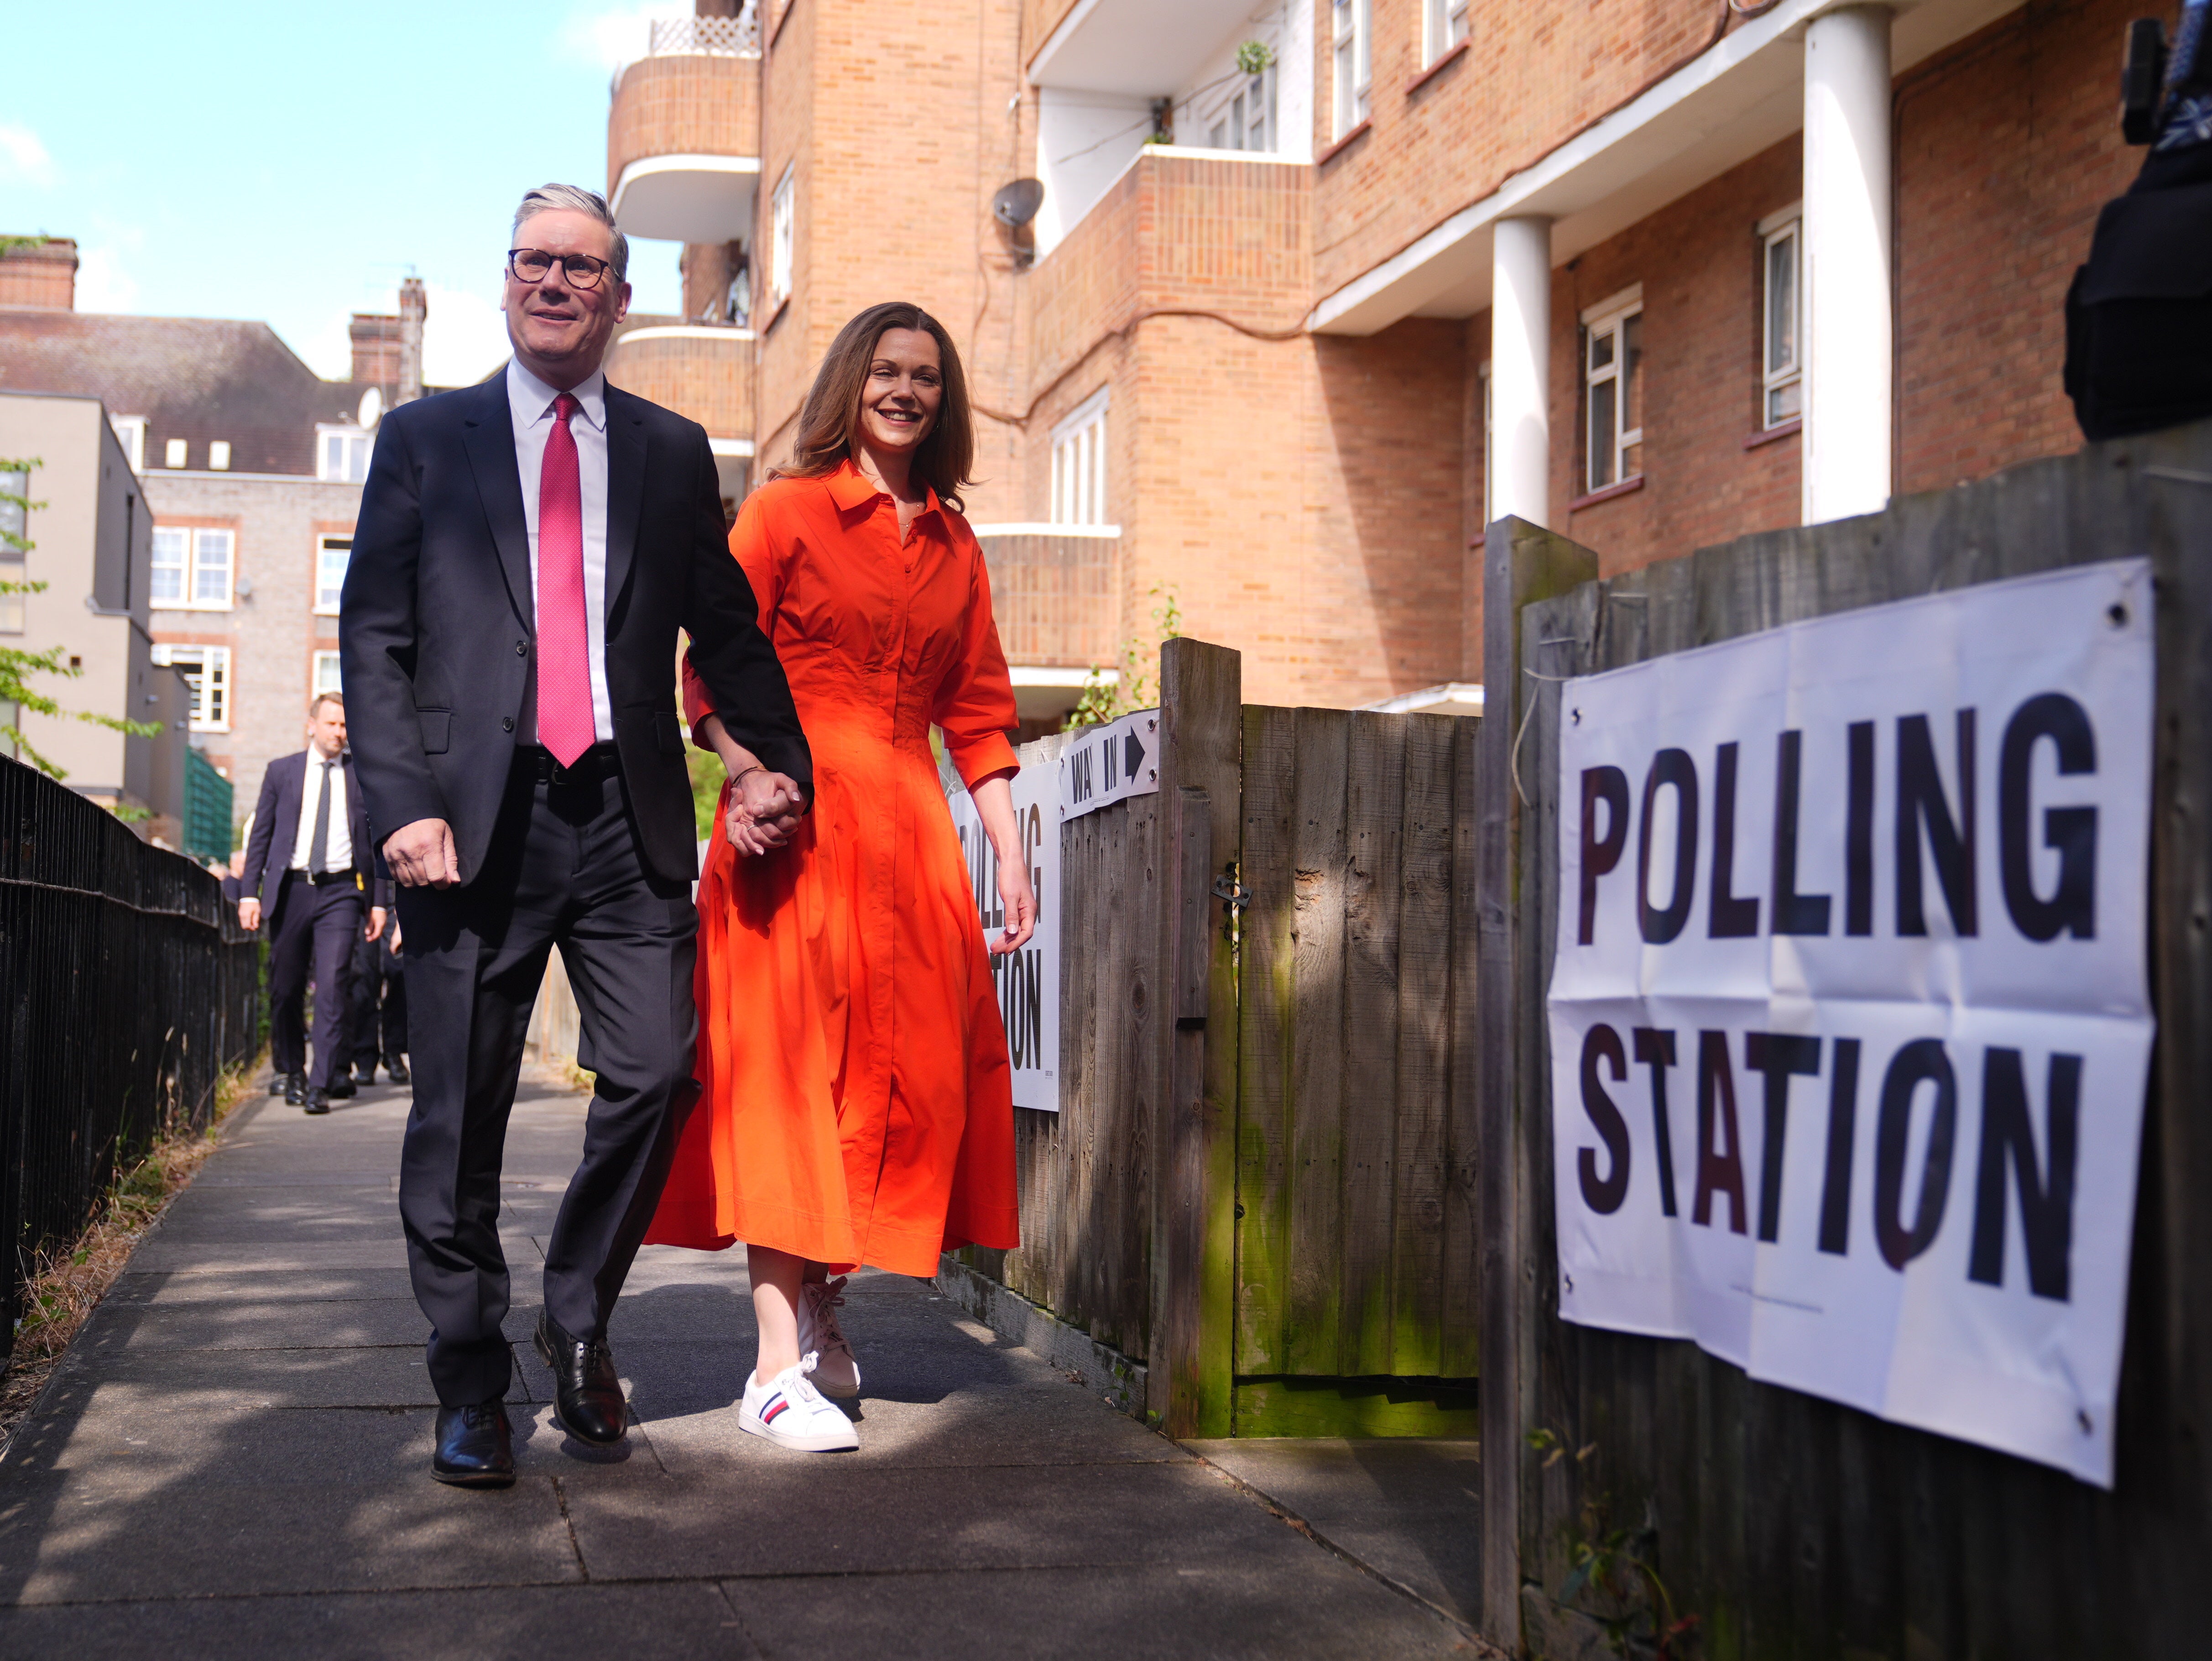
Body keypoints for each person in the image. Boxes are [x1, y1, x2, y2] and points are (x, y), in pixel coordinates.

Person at [341, 184, 810, 1490]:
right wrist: (403, 804)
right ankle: (470, 1382)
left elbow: (723, 629)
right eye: (535, 262)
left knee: (660, 1072)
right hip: (468, 823)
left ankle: (579, 1315)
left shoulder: (668, 451)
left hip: (623, 809)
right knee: (460, 1111)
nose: (556, 283)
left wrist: (773, 765)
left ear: (619, 295)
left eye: (584, 268)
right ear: (506, 282)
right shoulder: (425, 440)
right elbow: (373, 637)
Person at [645, 301, 1033, 1454]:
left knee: (895, 1078)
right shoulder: (784, 510)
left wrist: (1010, 852)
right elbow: (709, 665)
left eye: (924, 375)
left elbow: (978, 713)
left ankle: (822, 1308)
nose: (904, 390)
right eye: (885, 371)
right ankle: (769, 1368)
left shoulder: (957, 544)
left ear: (942, 398)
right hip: (796, 824)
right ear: (848, 384)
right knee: (786, 1076)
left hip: (910, 834)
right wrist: (750, 778)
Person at [238, 692, 386, 1114]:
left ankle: (320, 1083)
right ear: (312, 725)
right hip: (291, 890)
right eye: (332, 725)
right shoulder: (281, 772)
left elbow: (375, 843)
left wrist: (377, 903)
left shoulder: (362, 775)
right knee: (284, 989)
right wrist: (250, 892)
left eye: (345, 726)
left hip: (341, 891)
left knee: (333, 985)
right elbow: (261, 838)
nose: (340, 733)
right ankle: (292, 1072)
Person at [345, 913, 409, 1087]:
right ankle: (365, 1057)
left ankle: (394, 1050)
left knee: (399, 972)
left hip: (394, 904)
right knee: (363, 981)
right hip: (364, 907)